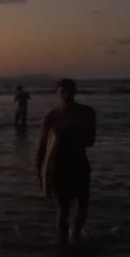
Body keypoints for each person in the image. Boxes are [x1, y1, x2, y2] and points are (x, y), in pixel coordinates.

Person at [36, 79, 97, 245]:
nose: (67, 95)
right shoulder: (52, 116)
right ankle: (63, 244)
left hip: (79, 163)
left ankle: (76, 235)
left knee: (83, 204)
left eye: (69, 91)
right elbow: (42, 145)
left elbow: (91, 140)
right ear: (57, 93)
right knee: (63, 208)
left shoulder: (87, 112)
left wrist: (69, 133)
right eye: (63, 91)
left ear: (75, 92)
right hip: (59, 166)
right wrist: (39, 172)